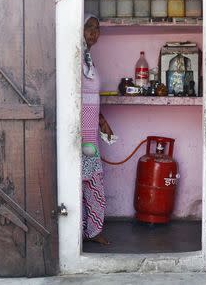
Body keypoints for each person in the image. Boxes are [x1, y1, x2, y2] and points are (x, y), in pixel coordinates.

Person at [81, 13, 113, 245]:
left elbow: (90, 96)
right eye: (89, 27)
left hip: (90, 129)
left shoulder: (87, 58)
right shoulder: (76, 56)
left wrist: (101, 121)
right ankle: (87, 231)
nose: (94, 32)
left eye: (97, 28)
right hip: (79, 130)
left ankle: (93, 229)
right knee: (82, 179)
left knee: (91, 178)